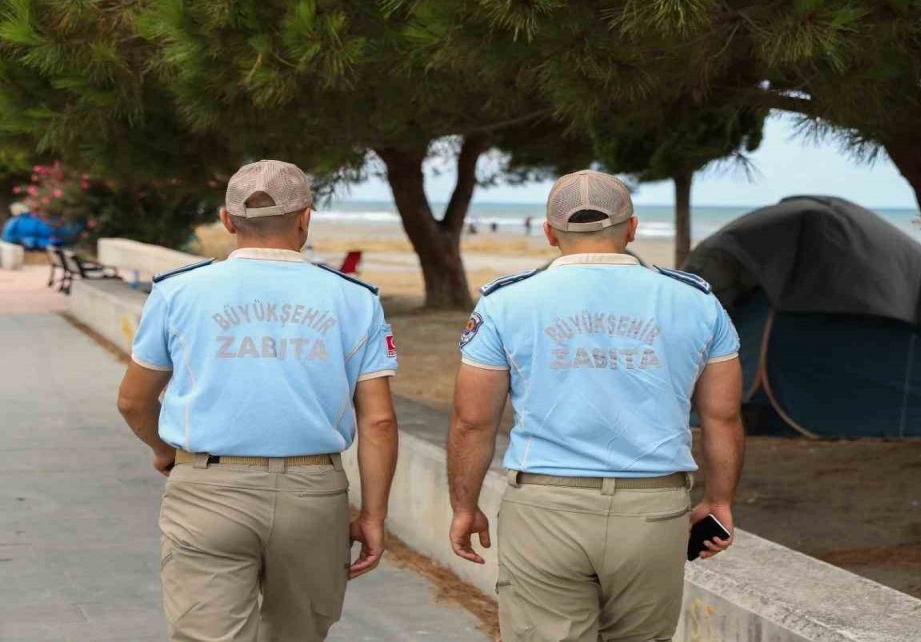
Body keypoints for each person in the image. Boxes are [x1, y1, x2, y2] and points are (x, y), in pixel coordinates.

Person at [447, 169, 745, 642]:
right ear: (632, 228)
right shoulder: (697, 302)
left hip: (545, 508)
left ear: (549, 233)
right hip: (652, 510)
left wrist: (464, 505)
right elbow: (722, 417)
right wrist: (720, 500)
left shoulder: (505, 302)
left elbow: (472, 422)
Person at [115, 160, 400, 641]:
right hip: (313, 493)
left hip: (209, 489)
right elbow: (379, 422)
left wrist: (164, 451)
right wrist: (373, 514)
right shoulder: (354, 299)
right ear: (305, 218)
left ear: (227, 220)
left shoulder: (178, 291)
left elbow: (132, 401)